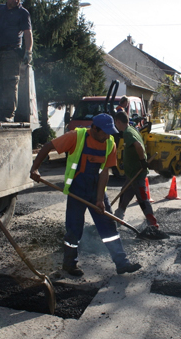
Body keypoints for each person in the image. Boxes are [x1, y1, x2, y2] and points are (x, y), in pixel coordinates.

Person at [30, 113, 141, 276]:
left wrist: (99, 199)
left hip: (97, 191)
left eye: (110, 132)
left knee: (108, 226)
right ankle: (69, 264)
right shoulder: (76, 136)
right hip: (77, 190)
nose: (107, 135)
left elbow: (105, 172)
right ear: (94, 128)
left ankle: (122, 263)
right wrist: (35, 168)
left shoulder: (109, 142)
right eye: (104, 132)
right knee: (74, 230)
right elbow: (48, 146)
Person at [113, 111, 159, 228]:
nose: (115, 126)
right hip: (131, 174)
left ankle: (153, 225)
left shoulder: (128, 133)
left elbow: (138, 145)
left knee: (143, 200)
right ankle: (117, 220)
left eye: (115, 123)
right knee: (124, 196)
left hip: (137, 175)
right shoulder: (132, 129)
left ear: (118, 121)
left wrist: (142, 161)